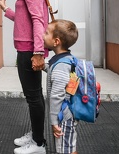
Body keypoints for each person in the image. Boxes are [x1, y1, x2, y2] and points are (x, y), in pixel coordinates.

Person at [0, 0, 49, 154]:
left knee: (33, 97)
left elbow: (38, 20)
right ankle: (37, 135)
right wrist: (5, 8)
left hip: (29, 50)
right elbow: (24, 18)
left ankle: (38, 144)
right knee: (35, 95)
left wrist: (37, 52)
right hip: (27, 48)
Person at [43, 19, 79, 154]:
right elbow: (56, 73)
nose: (42, 35)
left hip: (63, 117)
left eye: (46, 33)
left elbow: (57, 96)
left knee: (67, 150)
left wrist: (54, 122)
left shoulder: (61, 65)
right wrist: (44, 67)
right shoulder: (64, 59)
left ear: (56, 42)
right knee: (67, 146)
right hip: (65, 113)